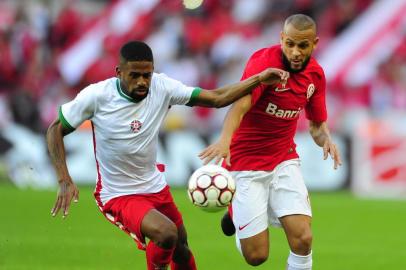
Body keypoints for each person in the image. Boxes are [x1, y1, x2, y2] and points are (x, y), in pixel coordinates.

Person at [46, 40, 289, 270]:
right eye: (134, 75)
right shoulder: (96, 96)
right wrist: (63, 179)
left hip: (155, 186)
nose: (142, 81)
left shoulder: (162, 87)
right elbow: (55, 128)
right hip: (119, 194)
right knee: (166, 233)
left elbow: (216, 98)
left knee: (181, 247)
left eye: (147, 75)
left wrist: (258, 79)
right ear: (118, 72)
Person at [199, 14, 342, 270]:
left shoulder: (316, 76)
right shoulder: (264, 62)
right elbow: (240, 105)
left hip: (283, 159)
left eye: (302, 45)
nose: (295, 52)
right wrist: (224, 140)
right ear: (281, 39)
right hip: (245, 162)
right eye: (290, 44)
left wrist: (326, 139)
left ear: (315, 43)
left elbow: (316, 125)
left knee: (303, 238)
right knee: (257, 257)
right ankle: (235, 210)